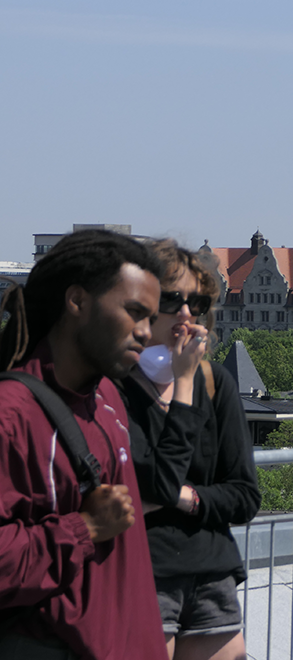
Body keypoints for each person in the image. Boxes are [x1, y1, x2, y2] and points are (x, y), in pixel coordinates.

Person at [0, 229, 170, 659]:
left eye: (151, 317)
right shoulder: (11, 413)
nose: (146, 333)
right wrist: (85, 529)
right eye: (134, 312)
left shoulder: (107, 398)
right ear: (76, 301)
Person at [118, 241, 260, 660]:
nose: (185, 314)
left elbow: (245, 496)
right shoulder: (114, 388)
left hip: (211, 573)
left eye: (196, 301)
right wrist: (182, 385)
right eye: (171, 300)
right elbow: (151, 479)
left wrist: (186, 497)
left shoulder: (216, 383)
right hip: (145, 573)